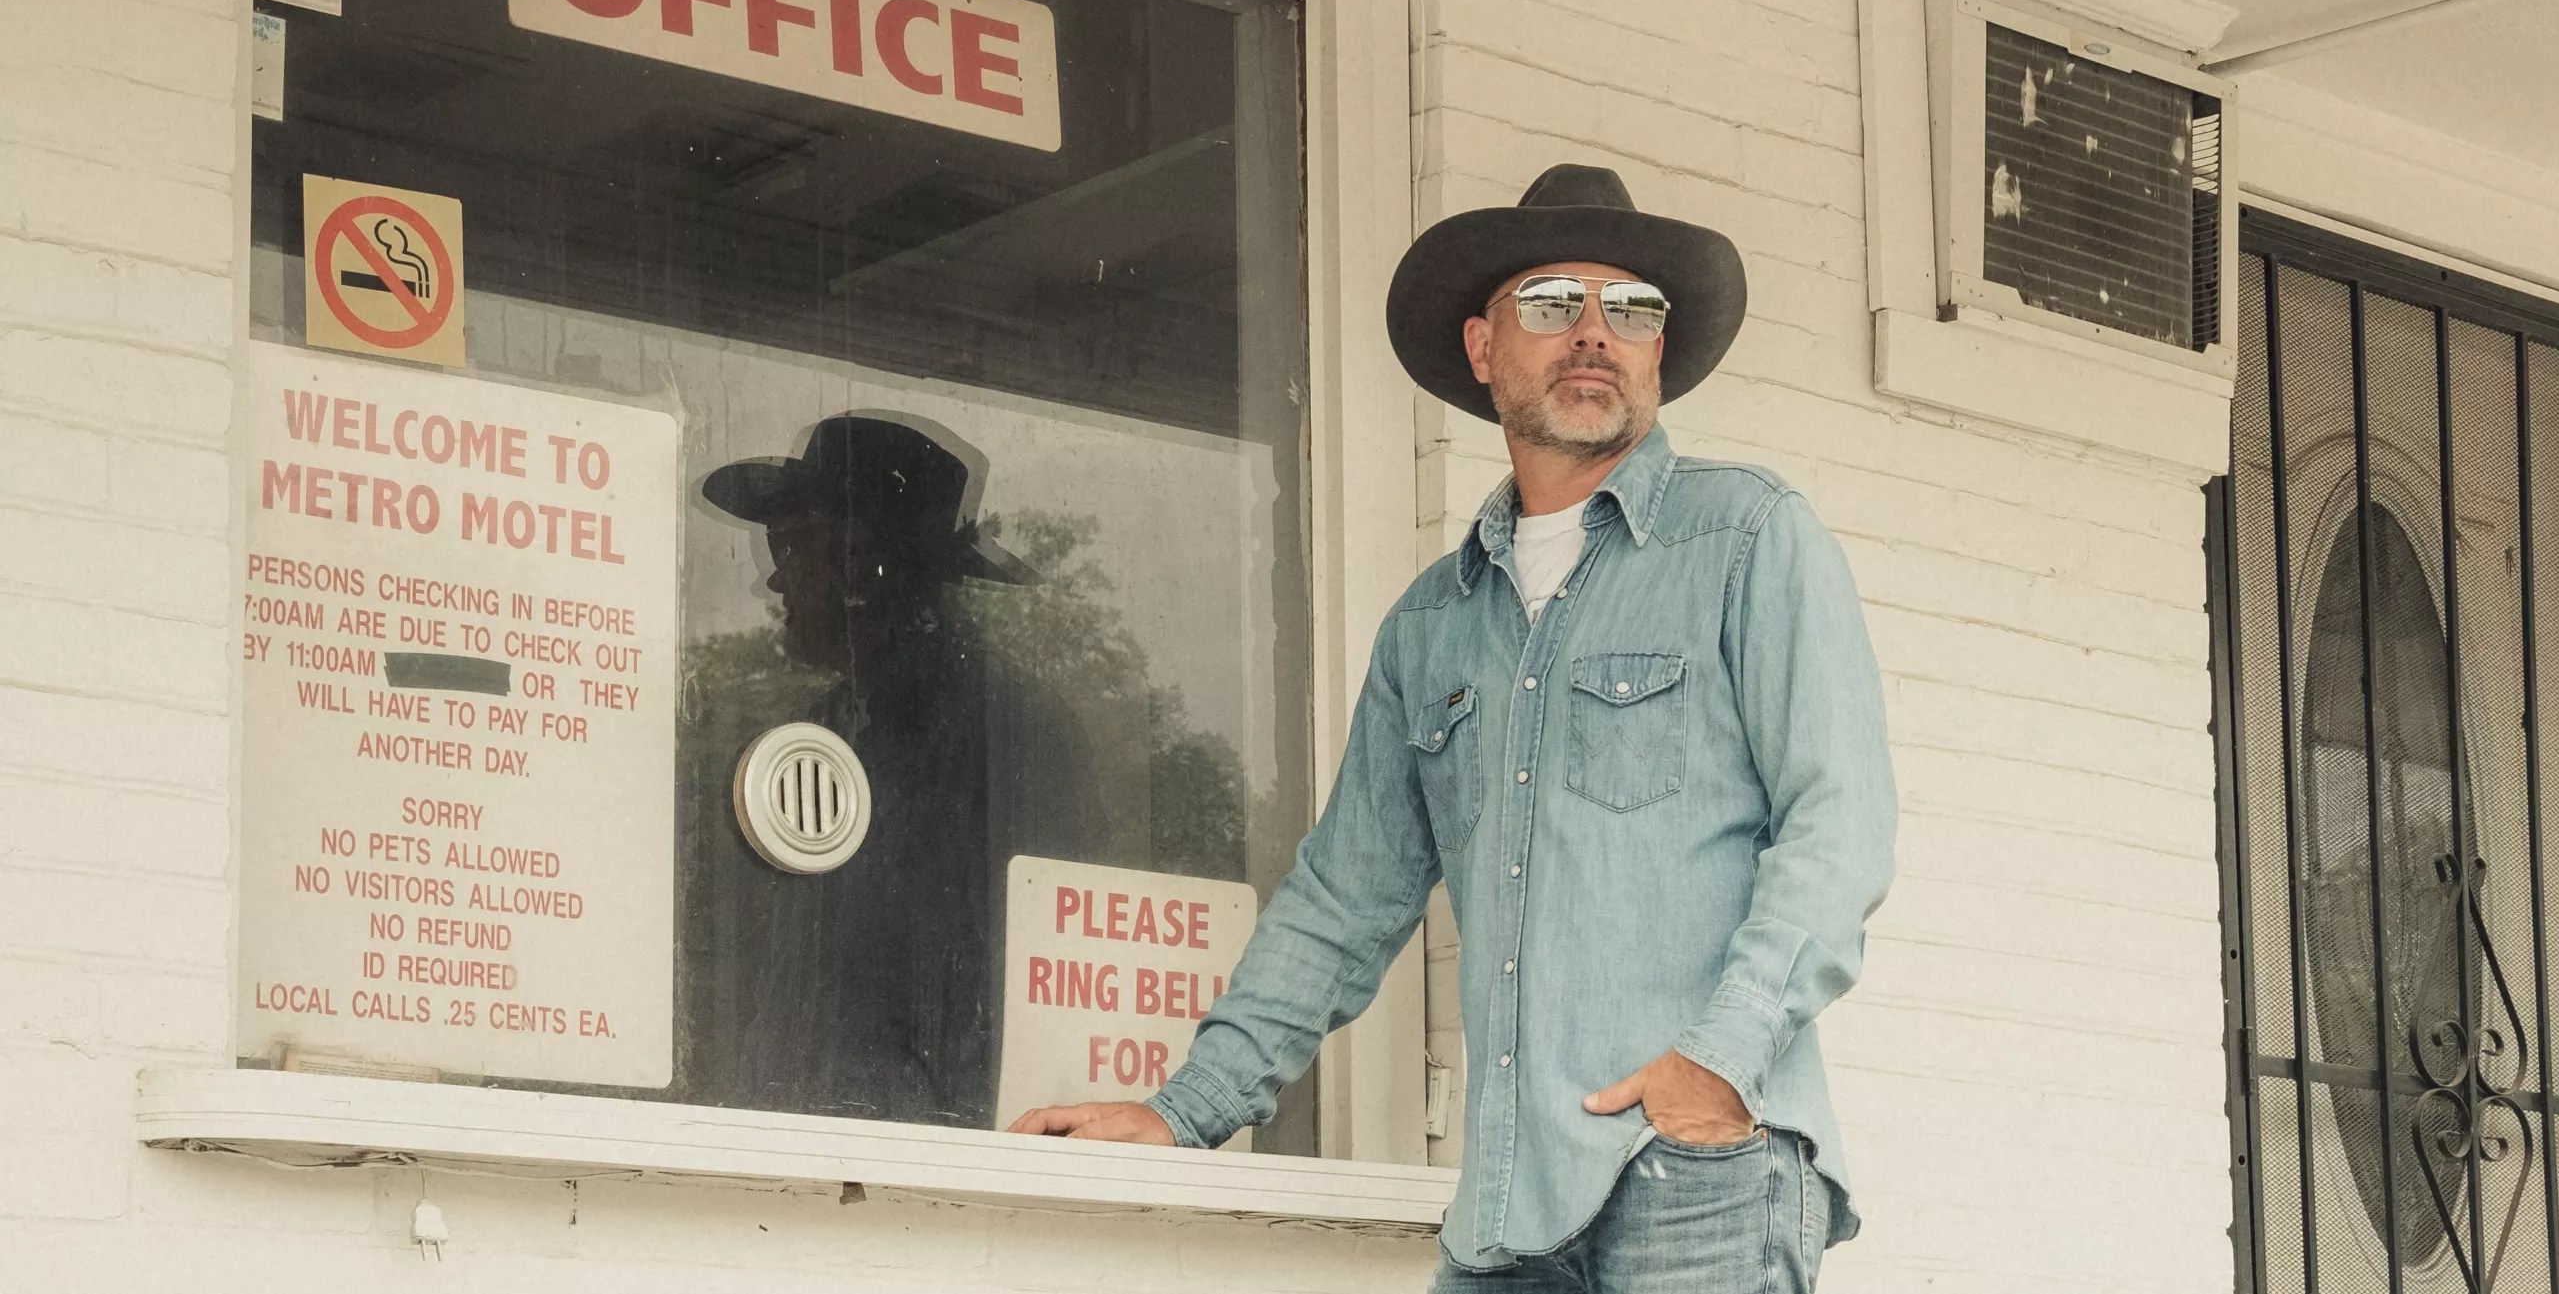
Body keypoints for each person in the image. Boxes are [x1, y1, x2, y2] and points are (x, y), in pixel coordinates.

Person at [1014, 164, 1898, 1291]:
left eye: (1632, 309)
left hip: (1699, 1181)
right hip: (1507, 1212)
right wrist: (1186, 1108)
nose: (1595, 332)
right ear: (1483, 347)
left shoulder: (1748, 539)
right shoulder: (1431, 626)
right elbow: (1344, 898)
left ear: (1658, 352)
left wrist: (1718, 1062)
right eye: (1553, 303)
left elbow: (1839, 826)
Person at [689, 413, 1127, 1125]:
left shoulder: (1007, 734)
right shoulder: (831, 725)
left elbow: (1009, 987)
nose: (774, 576)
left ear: (867, 569)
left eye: (794, 546)